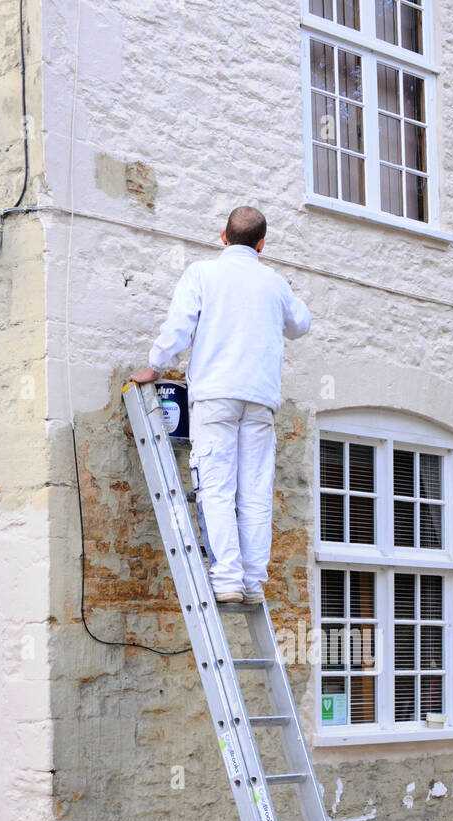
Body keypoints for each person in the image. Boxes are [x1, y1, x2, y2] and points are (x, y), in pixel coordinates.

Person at [130, 206, 311, 603]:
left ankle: (227, 577)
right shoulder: (273, 282)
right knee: (255, 490)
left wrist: (156, 365)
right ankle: (251, 580)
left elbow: (180, 326)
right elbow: (301, 324)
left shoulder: (202, 274)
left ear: (222, 236)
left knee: (216, 486)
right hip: (260, 399)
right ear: (262, 244)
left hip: (216, 395)